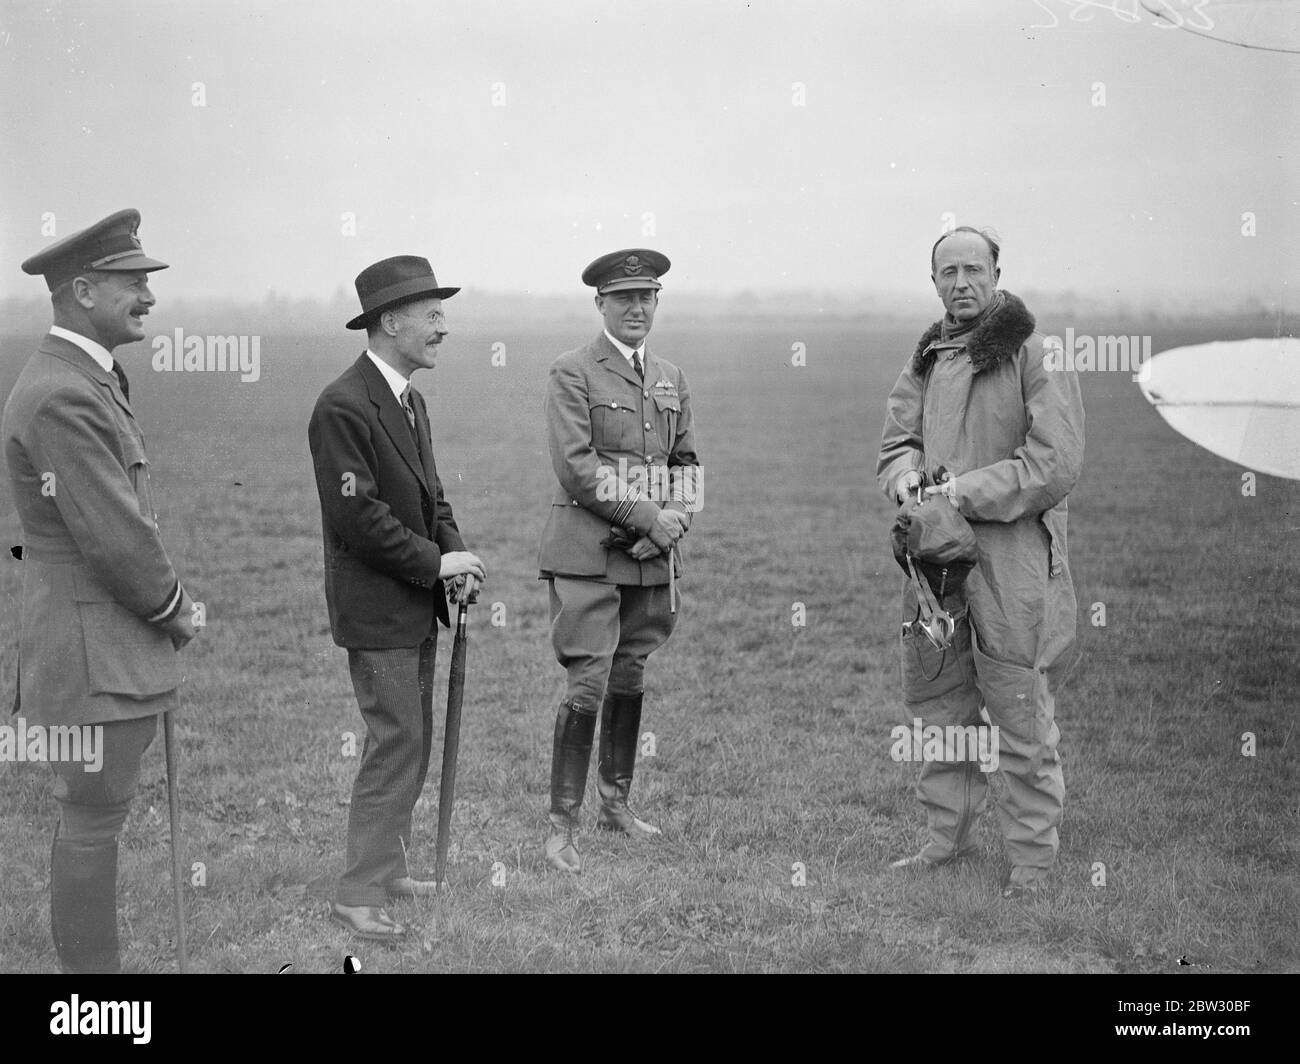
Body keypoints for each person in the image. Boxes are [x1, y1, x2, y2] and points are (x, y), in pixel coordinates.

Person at [2, 209, 198, 972]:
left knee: (93, 814)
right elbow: (115, 535)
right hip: (91, 647)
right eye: (134, 283)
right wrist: (174, 608)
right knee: (91, 818)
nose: (149, 296)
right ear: (82, 290)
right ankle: (91, 1001)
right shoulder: (65, 392)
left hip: (98, 642)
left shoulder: (87, 378)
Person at [876, 226, 1085, 898]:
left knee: (1018, 712)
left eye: (973, 269)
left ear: (997, 272)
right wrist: (905, 476)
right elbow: (897, 441)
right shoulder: (928, 355)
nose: (960, 283)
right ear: (933, 281)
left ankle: (1032, 863)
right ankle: (945, 843)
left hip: (1012, 564)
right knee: (939, 704)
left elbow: (1055, 465)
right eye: (947, 272)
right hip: (934, 565)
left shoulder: (1031, 350)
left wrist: (965, 490)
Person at [308, 255, 486, 940]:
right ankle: (357, 892)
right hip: (377, 613)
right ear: (390, 321)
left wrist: (455, 557)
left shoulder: (411, 402)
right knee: (398, 743)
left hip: (413, 606)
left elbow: (430, 500)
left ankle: (386, 870)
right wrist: (439, 562)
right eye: (433, 314)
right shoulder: (343, 405)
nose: (445, 326)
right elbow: (360, 519)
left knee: (410, 741)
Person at [537, 248, 701, 874]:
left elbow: (688, 469)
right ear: (600, 303)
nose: (637, 308)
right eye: (624, 297)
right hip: (588, 555)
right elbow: (577, 468)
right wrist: (647, 519)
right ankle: (561, 829)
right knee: (589, 678)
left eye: (647, 297)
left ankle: (615, 806)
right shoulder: (572, 370)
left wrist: (674, 523)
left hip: (651, 557)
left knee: (631, 674)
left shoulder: (671, 377)